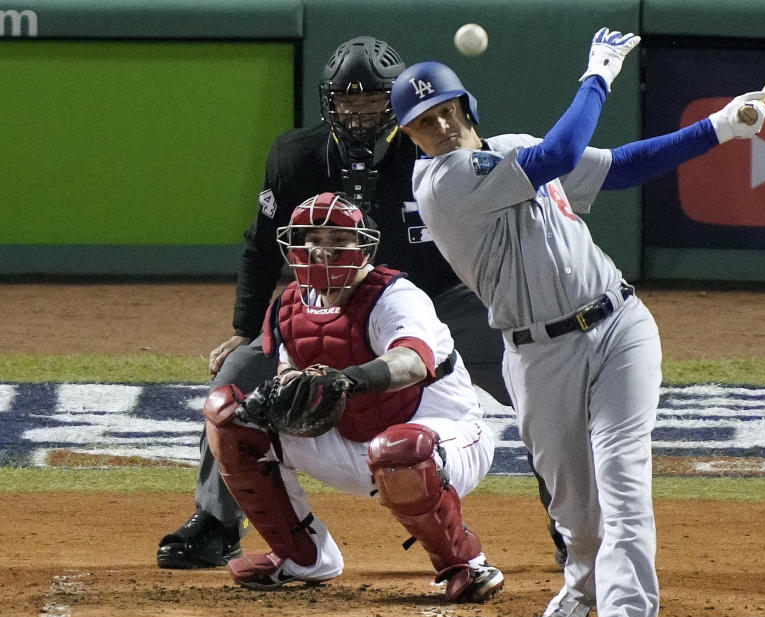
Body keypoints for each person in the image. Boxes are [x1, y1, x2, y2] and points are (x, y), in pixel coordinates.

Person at [389, 29, 765, 617]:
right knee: (577, 514)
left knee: (622, 480)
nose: (442, 126)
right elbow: (563, 149)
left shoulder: (511, 151)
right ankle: (585, 581)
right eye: (424, 122)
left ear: (467, 106)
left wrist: (721, 127)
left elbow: (618, 166)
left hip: (620, 327)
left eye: (448, 109)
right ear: (412, 139)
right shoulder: (443, 183)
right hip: (539, 359)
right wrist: (598, 73)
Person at [156, 35, 566, 569]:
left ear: (396, 105)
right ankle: (215, 523)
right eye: (347, 101)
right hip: (335, 305)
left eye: (373, 100)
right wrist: (242, 326)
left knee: (536, 385)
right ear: (329, 102)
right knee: (239, 372)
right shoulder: (296, 156)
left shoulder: (435, 148)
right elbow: (262, 244)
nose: (359, 112)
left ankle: (570, 523)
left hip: (449, 300)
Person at [201, 191, 504, 603]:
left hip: (441, 441)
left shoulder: (395, 297)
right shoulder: (289, 306)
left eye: (337, 242)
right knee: (230, 418)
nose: (323, 252)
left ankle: (466, 564)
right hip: (353, 445)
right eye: (314, 241)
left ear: (363, 249)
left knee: (399, 448)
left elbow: (411, 361)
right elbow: (291, 374)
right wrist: (277, 397)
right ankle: (304, 557)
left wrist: (349, 381)